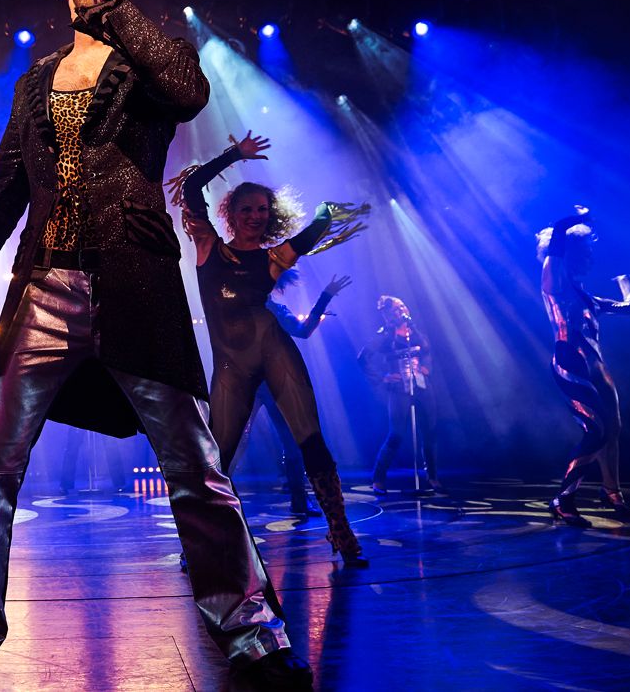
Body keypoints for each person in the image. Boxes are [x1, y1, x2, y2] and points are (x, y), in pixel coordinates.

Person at [0, 0, 313, 690]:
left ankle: (252, 631)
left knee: (195, 465)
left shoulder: (152, 57)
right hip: (41, 290)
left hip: (135, 285)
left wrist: (115, 13)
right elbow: (0, 197)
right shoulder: (33, 83)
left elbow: (187, 94)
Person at [173, 132, 369, 568]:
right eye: (247, 209)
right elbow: (191, 188)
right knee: (217, 458)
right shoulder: (207, 247)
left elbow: (313, 231)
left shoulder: (275, 258)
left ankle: (341, 530)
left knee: (310, 440)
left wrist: (325, 210)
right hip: (231, 365)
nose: (256, 217)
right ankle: (199, 541)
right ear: (231, 213)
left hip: (276, 352)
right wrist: (234, 154)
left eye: (263, 210)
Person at [536, 206, 630, 525]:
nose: (591, 256)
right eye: (587, 250)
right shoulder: (554, 281)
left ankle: (612, 494)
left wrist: (625, 279)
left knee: (611, 430)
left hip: (597, 369)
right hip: (570, 365)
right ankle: (563, 499)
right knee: (596, 431)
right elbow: (558, 234)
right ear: (571, 252)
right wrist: (580, 218)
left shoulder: (586, 296)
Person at [232, 271, 352, 516]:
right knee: (281, 442)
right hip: (265, 383)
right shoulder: (270, 309)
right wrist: (324, 298)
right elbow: (303, 330)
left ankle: (215, 497)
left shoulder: (246, 308)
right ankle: (298, 502)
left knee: (237, 441)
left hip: (256, 383)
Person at [358, 295, 443, 495]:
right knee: (396, 434)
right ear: (388, 315)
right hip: (399, 389)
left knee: (429, 432)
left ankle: (432, 477)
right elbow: (363, 357)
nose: (401, 311)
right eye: (396, 310)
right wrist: (383, 377)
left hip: (422, 386)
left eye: (402, 307)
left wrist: (426, 367)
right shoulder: (385, 335)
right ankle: (378, 479)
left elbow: (427, 350)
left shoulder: (415, 331)